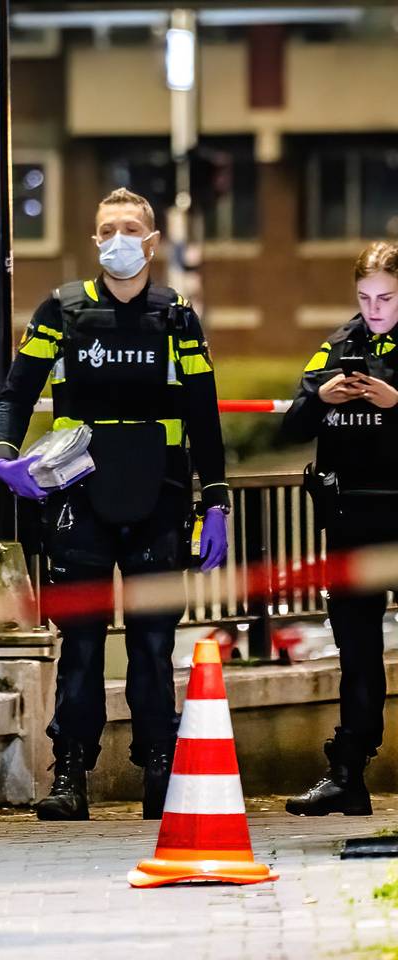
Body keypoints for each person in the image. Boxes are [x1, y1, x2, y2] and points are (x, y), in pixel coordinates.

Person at [0, 187, 230, 822]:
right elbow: (17, 392)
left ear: (151, 241)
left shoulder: (176, 315)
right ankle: (70, 773)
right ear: (94, 240)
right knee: (82, 643)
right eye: (106, 229)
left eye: (130, 228)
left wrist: (218, 502)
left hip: (161, 497)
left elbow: (204, 416)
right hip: (79, 499)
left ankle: (159, 769)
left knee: (153, 644)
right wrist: (3, 454)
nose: (117, 239)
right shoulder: (61, 310)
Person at [283, 240, 398, 817]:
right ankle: (348, 775)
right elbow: (291, 425)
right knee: (357, 652)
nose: (374, 309)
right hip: (351, 519)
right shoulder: (338, 345)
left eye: (386, 297)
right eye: (365, 298)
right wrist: (322, 396)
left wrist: (396, 400)